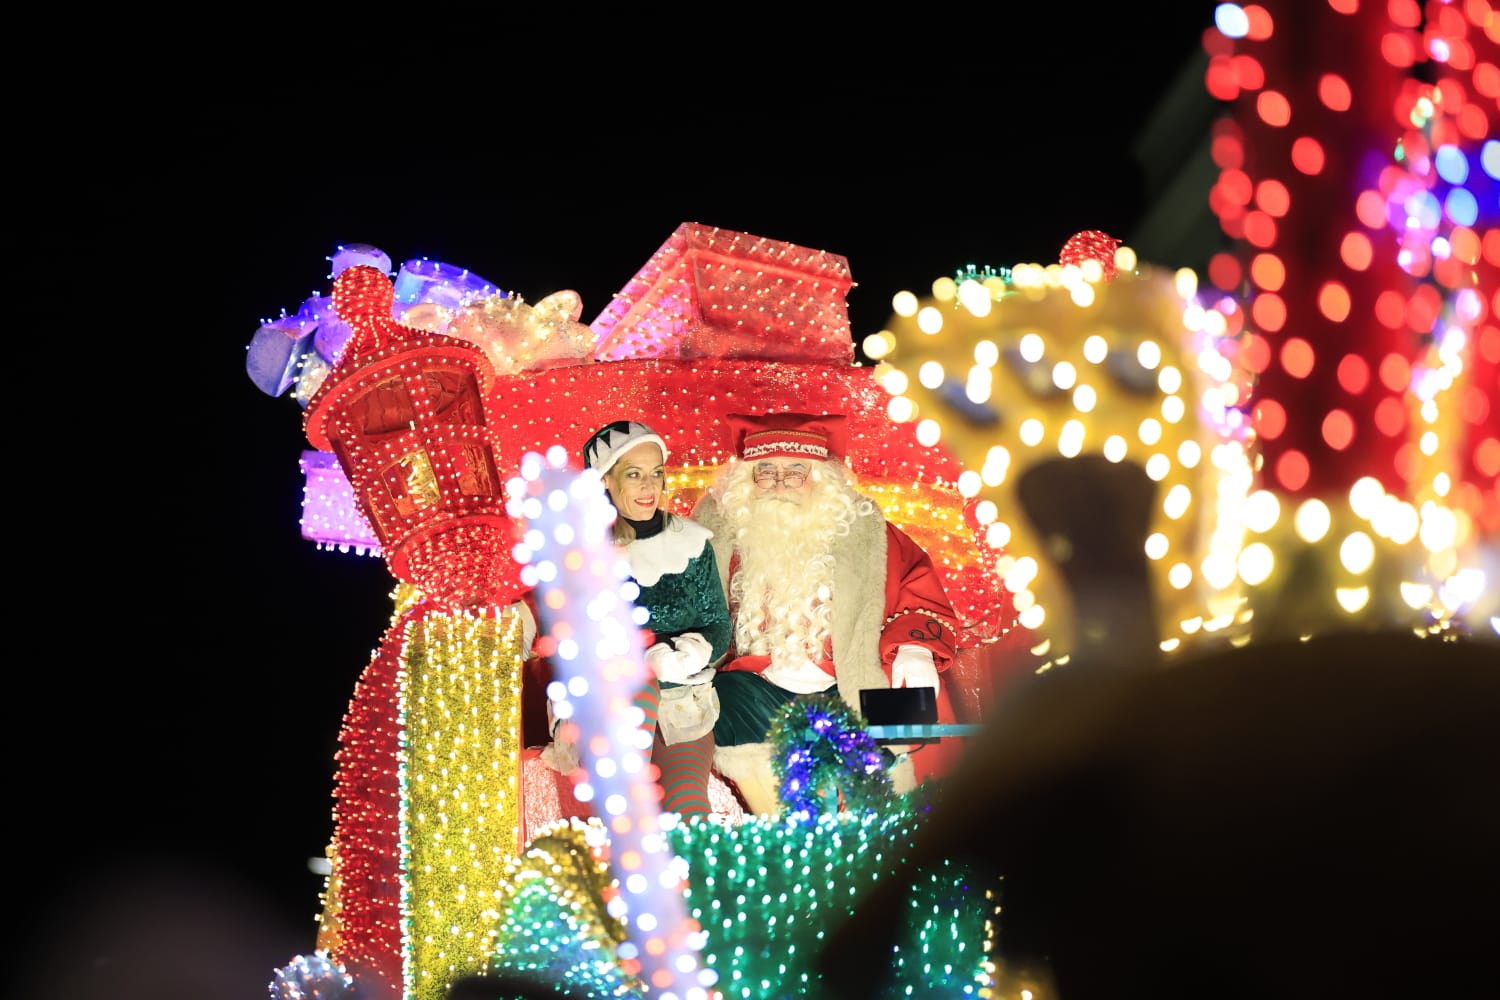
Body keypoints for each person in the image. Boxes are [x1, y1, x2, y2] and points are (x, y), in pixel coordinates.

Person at [690, 411, 965, 815]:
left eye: (796, 471)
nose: (780, 484)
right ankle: (785, 822)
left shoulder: (867, 534)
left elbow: (918, 591)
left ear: (821, 479)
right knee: (719, 697)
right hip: (762, 684)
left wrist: (913, 649)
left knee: (908, 693)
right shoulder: (718, 537)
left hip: (850, 680)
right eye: (765, 471)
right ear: (746, 481)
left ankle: (896, 820)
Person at [541, 420, 732, 819]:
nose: (649, 486)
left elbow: (717, 624)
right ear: (606, 481)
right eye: (634, 475)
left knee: (686, 806)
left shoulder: (691, 543)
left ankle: (699, 878)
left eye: (656, 473)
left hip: (682, 702)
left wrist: (695, 652)